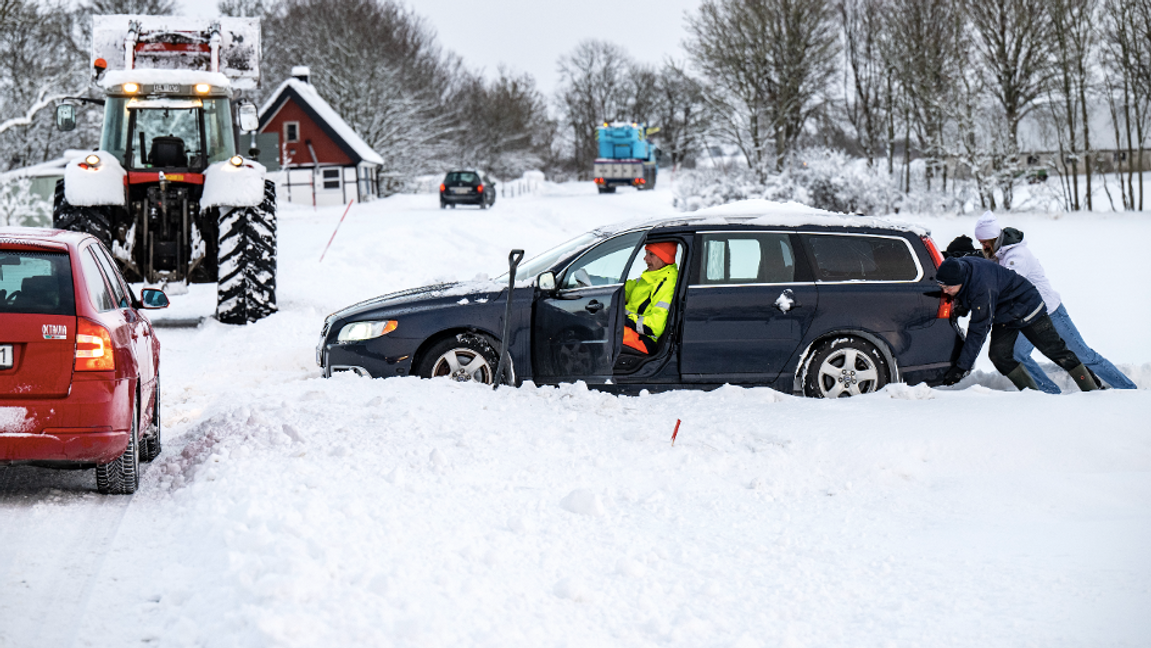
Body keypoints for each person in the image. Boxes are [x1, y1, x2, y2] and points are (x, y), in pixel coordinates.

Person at [972, 210, 1137, 392]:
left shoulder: (1017, 256)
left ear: (995, 237)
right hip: (1030, 316)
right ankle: (1050, 393)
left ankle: (1128, 389)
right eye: (980, 242)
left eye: (984, 241)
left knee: (1083, 354)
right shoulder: (998, 254)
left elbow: (1007, 287)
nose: (982, 245)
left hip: (1051, 311)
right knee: (1018, 354)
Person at [935, 255, 1099, 392]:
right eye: (941, 286)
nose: (945, 291)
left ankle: (1090, 388)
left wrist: (962, 367)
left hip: (1028, 307)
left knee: (1054, 350)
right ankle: (1032, 394)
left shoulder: (982, 289)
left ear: (960, 280)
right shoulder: (963, 268)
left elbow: (978, 329)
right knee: (999, 356)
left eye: (948, 287)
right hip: (1005, 313)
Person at [620, 242, 678, 355]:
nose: (645, 258)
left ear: (664, 258)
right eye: (646, 253)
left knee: (604, 334)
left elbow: (655, 325)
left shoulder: (668, 284)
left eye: (651, 254)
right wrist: (596, 284)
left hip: (646, 340)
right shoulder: (651, 276)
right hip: (630, 329)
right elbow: (623, 290)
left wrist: (625, 320)